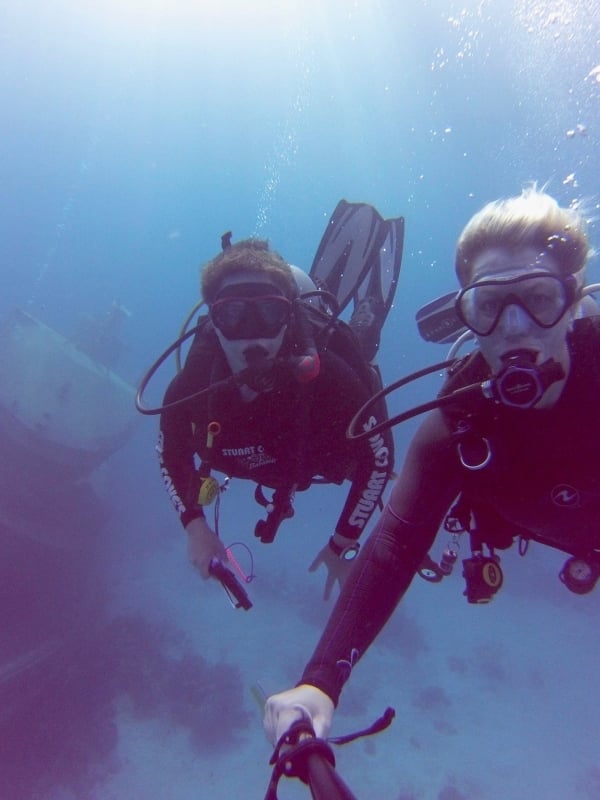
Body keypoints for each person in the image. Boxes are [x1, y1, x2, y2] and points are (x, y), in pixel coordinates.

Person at [263, 186, 599, 744]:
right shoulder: (460, 417)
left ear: (571, 301)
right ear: (466, 313)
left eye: (539, 298)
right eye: (489, 306)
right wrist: (318, 685)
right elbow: (396, 545)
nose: (514, 326)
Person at [157, 202, 402, 600]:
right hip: (286, 456)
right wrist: (195, 528)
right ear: (214, 321)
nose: (252, 335)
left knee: (361, 341)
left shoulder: (333, 379)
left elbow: (378, 458)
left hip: (317, 434)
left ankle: (359, 309)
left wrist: (342, 544)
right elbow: (170, 453)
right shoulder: (192, 386)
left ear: (287, 319)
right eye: (234, 314)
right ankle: (308, 297)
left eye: (269, 314)